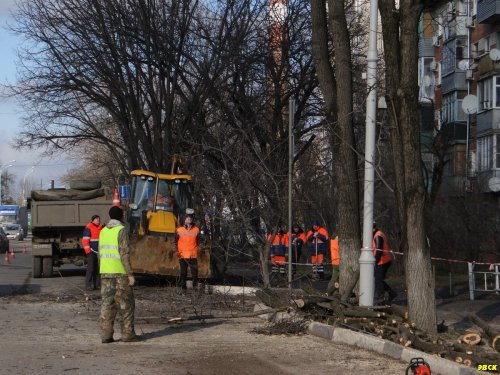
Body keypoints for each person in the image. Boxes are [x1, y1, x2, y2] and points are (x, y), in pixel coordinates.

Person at [99, 206, 139, 343]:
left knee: (107, 304)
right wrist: (130, 274)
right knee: (126, 304)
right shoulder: (121, 231)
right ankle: (128, 334)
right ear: (121, 216)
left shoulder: (103, 231)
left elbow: (100, 254)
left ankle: (106, 335)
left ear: (110, 216)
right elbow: (124, 255)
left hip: (105, 273)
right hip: (120, 273)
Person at [373, 222, 397, 304]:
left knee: (378, 280)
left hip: (383, 260)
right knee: (378, 279)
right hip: (384, 260)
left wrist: (375, 262)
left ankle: (380, 298)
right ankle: (390, 293)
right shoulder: (377, 234)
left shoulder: (378, 236)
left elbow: (379, 251)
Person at [176, 214, 200, 291]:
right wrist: (176, 251)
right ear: (184, 220)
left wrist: (201, 247)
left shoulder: (196, 229)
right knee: (183, 272)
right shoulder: (179, 230)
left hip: (193, 255)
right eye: (187, 217)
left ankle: (195, 288)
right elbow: (174, 242)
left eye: (190, 217)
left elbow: (200, 241)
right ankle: (183, 288)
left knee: (195, 273)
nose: (189, 218)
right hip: (182, 255)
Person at [82, 214, 103, 291]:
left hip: (98, 251)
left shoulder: (101, 228)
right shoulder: (89, 228)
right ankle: (88, 285)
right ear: (93, 220)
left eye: (99, 219)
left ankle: (97, 285)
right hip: (91, 251)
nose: (98, 220)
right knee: (90, 268)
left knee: (97, 269)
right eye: (97, 219)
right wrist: (88, 251)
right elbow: (85, 241)